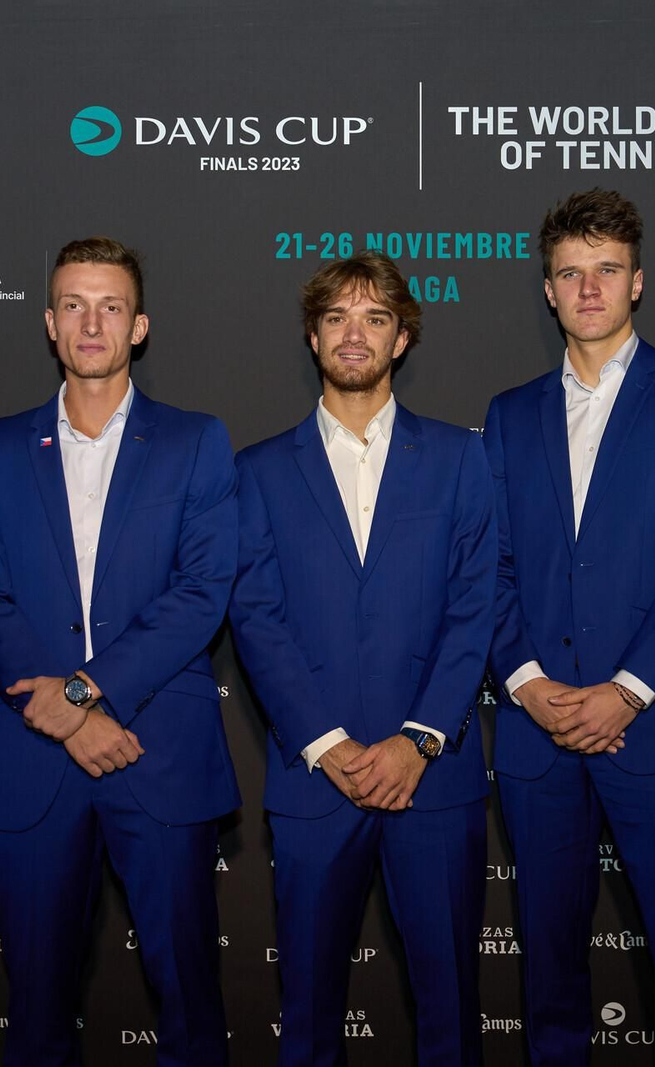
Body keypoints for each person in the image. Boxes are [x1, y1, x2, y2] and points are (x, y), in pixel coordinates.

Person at [0, 237, 239, 1066]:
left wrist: (81, 694)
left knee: (190, 1005)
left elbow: (201, 592)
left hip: (157, 751)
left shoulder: (194, 441)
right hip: (34, 757)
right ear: (49, 323)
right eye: (74, 305)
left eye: (110, 306)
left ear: (138, 326)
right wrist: (70, 716)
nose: (91, 323)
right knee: (36, 1013)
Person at [483, 189, 655, 1065]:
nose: (587, 288)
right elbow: (492, 570)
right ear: (547, 290)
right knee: (548, 969)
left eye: (605, 270)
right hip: (539, 731)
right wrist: (528, 684)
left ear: (637, 282)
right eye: (569, 273)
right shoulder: (510, 413)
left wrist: (626, 692)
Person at [229, 252, 496, 1066]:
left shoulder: (460, 457)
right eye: (337, 317)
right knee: (309, 1017)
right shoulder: (258, 470)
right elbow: (257, 618)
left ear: (402, 338)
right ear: (313, 337)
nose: (355, 333)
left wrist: (418, 739)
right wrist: (329, 744)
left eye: (375, 317)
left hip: (435, 780)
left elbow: (474, 607)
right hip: (316, 781)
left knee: (452, 1014)